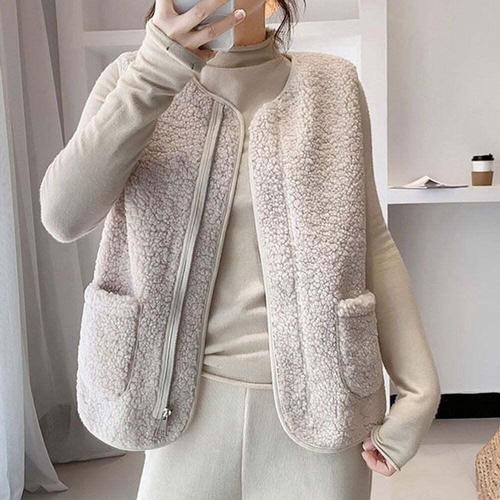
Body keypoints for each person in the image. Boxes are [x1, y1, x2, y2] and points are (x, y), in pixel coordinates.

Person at [39, 0, 441, 498]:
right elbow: (63, 216)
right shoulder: (133, 79)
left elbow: (372, 241)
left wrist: (420, 390)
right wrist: (156, 70)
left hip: (323, 398)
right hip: (176, 404)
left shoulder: (333, 86)